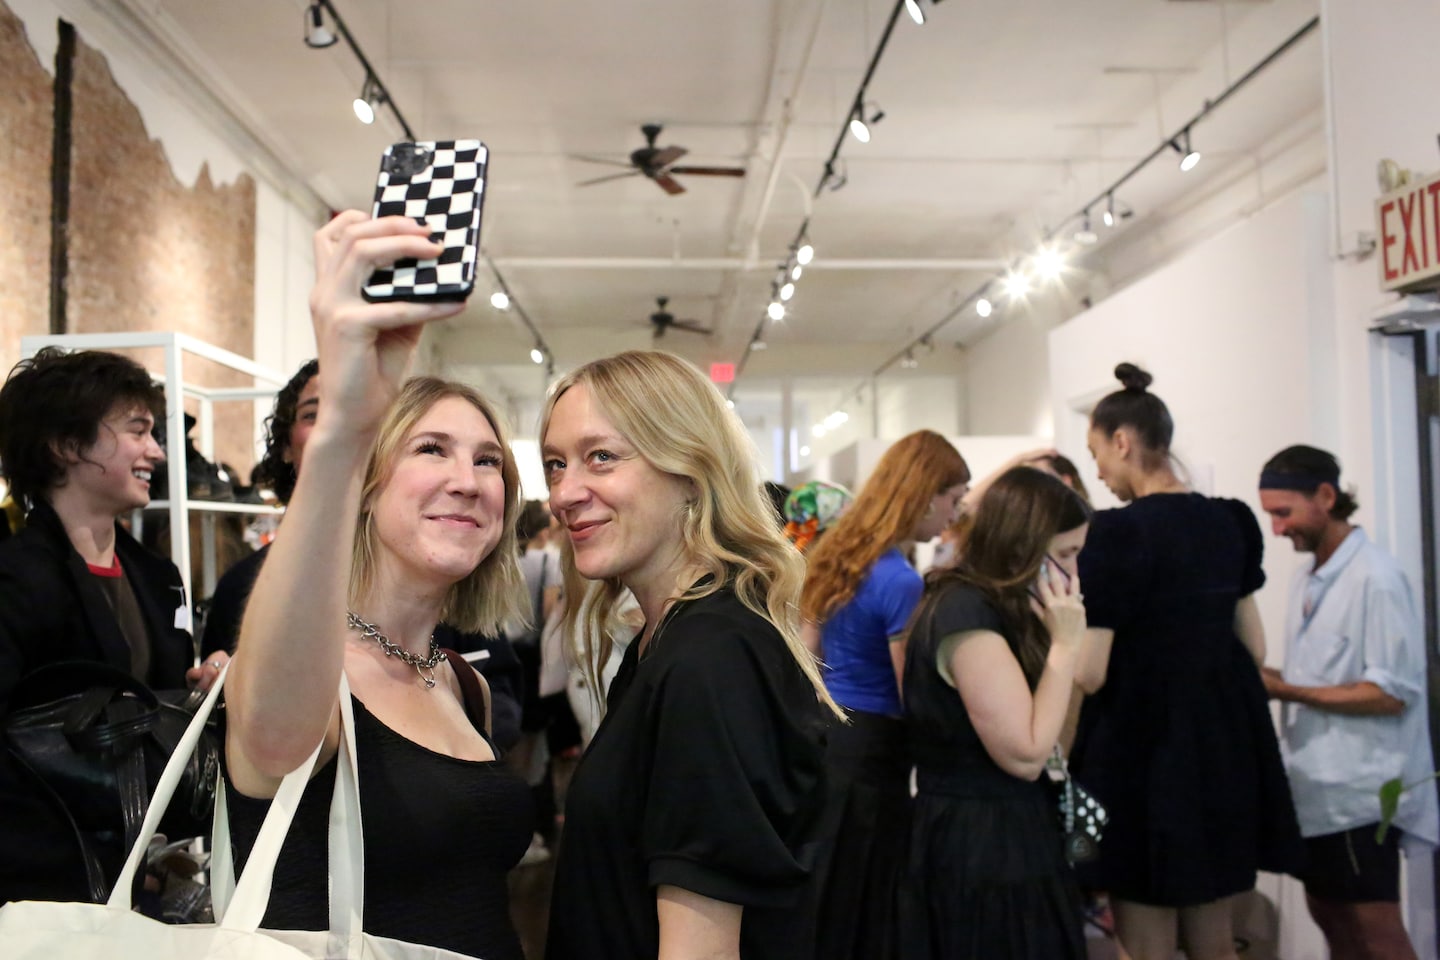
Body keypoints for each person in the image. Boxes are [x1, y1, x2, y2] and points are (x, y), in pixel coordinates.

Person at [221, 212, 533, 958]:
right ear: (368, 483)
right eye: (432, 449)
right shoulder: (316, 682)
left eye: (488, 460)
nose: (467, 480)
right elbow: (272, 736)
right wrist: (342, 431)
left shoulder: (462, 684)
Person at [540, 349, 839, 960]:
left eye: (601, 457)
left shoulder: (711, 656)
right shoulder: (667, 642)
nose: (564, 493)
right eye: (555, 465)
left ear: (689, 467)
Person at [1072, 363, 1302, 960]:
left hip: (1141, 752)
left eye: (1097, 454)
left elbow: (1092, 671)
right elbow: (1255, 648)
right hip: (1220, 747)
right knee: (1214, 938)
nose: (1098, 470)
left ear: (1122, 442)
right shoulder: (1230, 521)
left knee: (1145, 941)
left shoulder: (1116, 534)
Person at [0, 347, 215, 903]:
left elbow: (156, 704)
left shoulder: (157, 576)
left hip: (142, 868)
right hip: (44, 882)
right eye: (137, 430)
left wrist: (204, 684)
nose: (157, 451)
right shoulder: (16, 577)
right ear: (66, 445)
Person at [898, 467, 1091, 959]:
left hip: (1007, 832)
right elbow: (1025, 754)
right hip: (980, 841)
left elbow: (1050, 743)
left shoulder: (998, 608)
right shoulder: (964, 611)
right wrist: (1066, 648)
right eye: (1065, 555)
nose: (1073, 575)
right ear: (1024, 547)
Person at [1258, 445, 1436, 960]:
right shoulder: (1308, 576)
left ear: (1326, 496)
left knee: (1374, 930)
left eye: (1284, 513)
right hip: (1316, 791)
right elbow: (1318, 678)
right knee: (1331, 918)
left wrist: (1285, 689)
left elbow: (1389, 694)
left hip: (1362, 795)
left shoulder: (1375, 579)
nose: (1277, 529)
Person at [799, 430, 971, 960]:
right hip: (875, 756)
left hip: (830, 739)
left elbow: (805, 655)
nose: (953, 515)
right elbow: (912, 690)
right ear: (924, 496)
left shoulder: (838, 557)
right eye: (953, 499)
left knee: (827, 902)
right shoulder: (900, 581)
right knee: (868, 908)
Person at [200, 358, 318, 657]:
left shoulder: (416, 574)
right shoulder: (241, 587)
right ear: (286, 446)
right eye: (313, 415)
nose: (333, 429)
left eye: (349, 414)